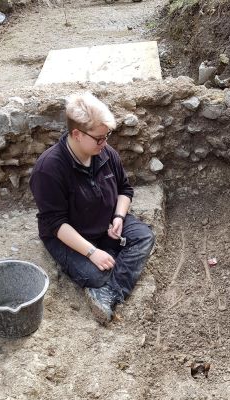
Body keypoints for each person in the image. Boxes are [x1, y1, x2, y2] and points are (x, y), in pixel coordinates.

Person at [30, 92, 155, 324]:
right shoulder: (48, 170)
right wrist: (92, 252)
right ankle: (105, 279)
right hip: (68, 237)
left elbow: (125, 191)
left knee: (144, 237)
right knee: (98, 273)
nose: (105, 143)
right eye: (99, 138)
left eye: (106, 135)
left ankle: (108, 293)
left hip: (106, 224)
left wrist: (119, 216)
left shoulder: (105, 154)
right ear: (77, 134)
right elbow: (55, 224)